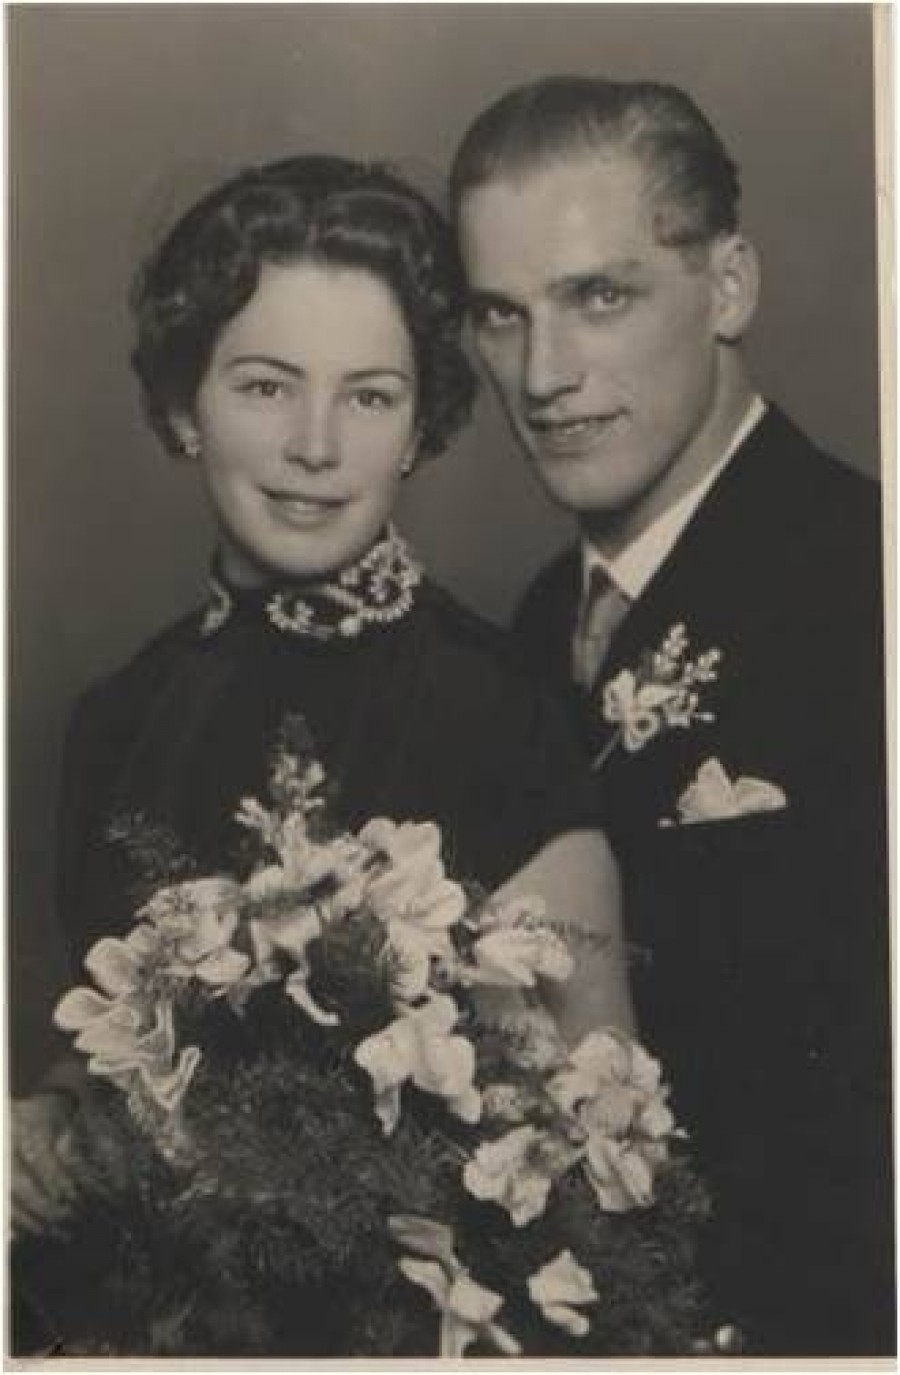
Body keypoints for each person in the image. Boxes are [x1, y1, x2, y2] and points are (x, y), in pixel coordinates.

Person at [12, 155, 633, 1342]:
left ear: (419, 429)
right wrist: (42, 1131)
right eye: (265, 386)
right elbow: (116, 1072)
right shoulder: (116, 718)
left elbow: (595, 1159)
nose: (315, 444)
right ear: (183, 408)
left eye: (369, 396)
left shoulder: (500, 711)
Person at [450, 76, 893, 1356]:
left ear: (729, 286)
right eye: (501, 314)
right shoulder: (539, 623)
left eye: (600, 295)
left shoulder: (866, 579)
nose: (543, 375)